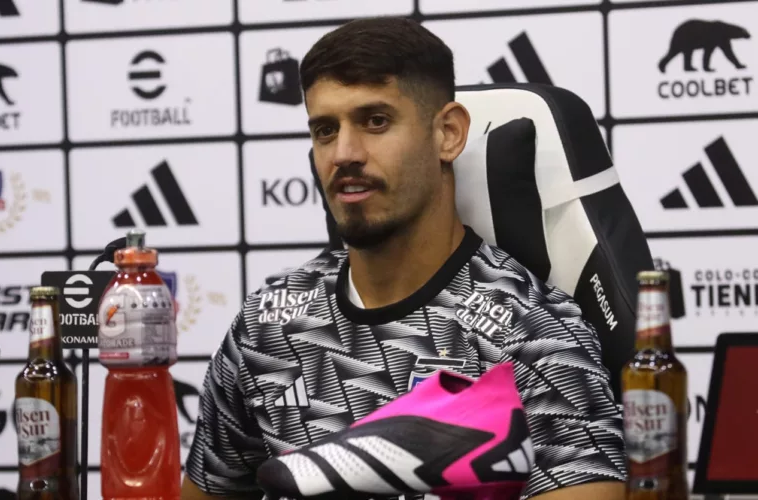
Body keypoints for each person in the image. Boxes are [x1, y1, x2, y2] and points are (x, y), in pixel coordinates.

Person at [181, 16, 626, 500]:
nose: (344, 153)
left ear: (449, 134)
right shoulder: (267, 325)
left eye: (375, 121)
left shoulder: (534, 339)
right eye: (325, 130)